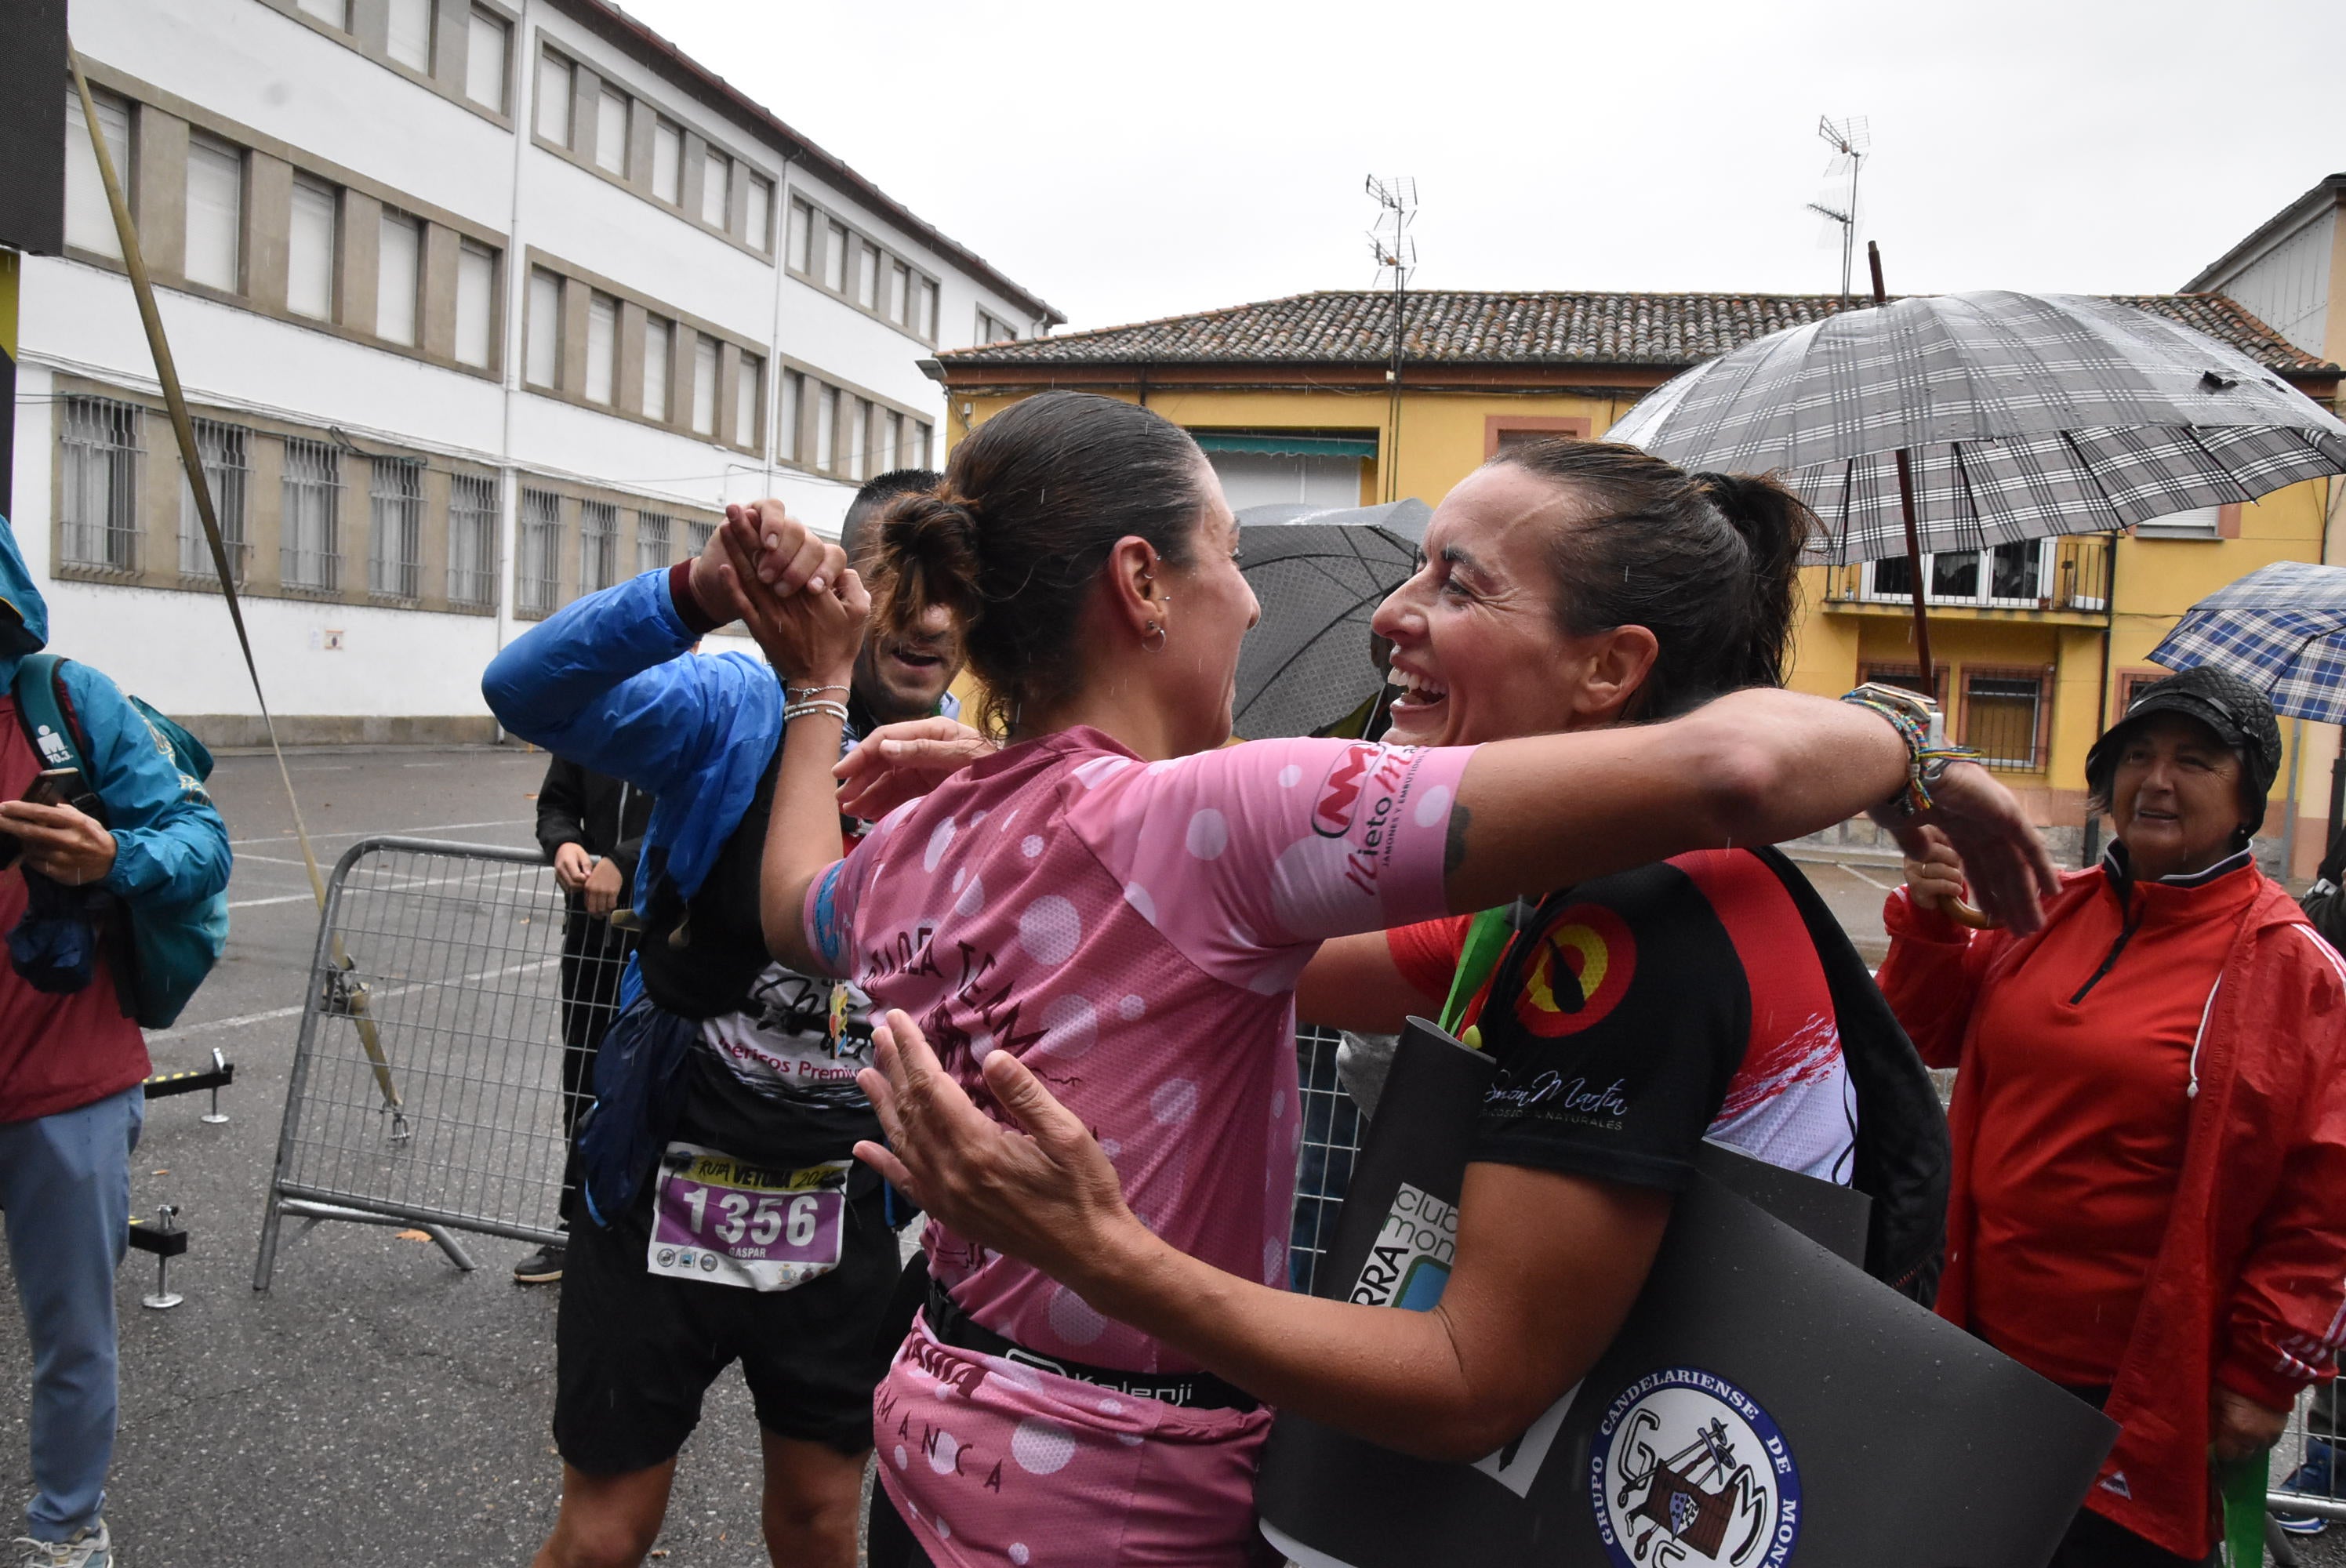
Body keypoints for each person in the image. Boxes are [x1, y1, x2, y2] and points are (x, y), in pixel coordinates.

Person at [715, 390, 2055, 1568]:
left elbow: (796, 907)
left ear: (1612, 666)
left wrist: (842, 705)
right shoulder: (1237, 839)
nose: (1380, 618)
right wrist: (1915, 743)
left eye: (1456, 586)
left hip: (940, 1435)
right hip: (1127, 1488)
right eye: (1235, 555)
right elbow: (1206, 897)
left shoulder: (1644, 912)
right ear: (1139, 587)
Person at [478, 470, 963, 1568]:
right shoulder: (735, 705)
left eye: (954, 588)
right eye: (900, 578)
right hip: (661, 1181)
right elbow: (525, 692)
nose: (927, 616)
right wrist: (699, 593)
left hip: (838, 1211)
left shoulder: (970, 764)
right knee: (603, 1532)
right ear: (844, 580)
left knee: (818, 1525)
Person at [1878, 666, 2346, 1568]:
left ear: (2248, 797)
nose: (2156, 779)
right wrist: (1933, 925)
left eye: (2194, 760)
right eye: (2136, 754)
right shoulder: (2039, 903)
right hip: (1978, 1338)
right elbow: (1921, 1034)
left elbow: (2324, 1197)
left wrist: (2263, 1374)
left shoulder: (2293, 966)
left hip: (2140, 1377)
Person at [0, 517, 232, 1568]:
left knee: (73, 1336)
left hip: (68, 1083)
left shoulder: (62, 702)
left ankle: (67, 1531)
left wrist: (112, 861)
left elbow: (202, 843)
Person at [514, 754, 653, 1284]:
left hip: (667, 935)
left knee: (662, 1084)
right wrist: (564, 842)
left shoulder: (701, 708)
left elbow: (705, 813)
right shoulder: (594, 719)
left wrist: (625, 858)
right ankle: (578, 1228)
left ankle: (650, 1238)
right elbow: (556, 803)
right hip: (594, 939)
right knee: (587, 1083)